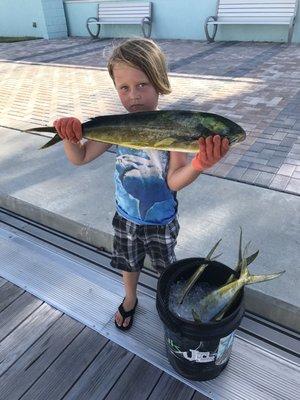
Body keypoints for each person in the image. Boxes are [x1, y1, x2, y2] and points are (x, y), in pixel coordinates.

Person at [53, 38, 229, 331]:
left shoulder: (175, 128)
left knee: (166, 269)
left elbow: (174, 180)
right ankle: (131, 298)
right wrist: (69, 138)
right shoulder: (117, 127)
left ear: (159, 83)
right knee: (128, 264)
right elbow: (80, 157)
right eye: (124, 88)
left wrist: (199, 165)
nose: (133, 95)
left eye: (142, 85)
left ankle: (165, 302)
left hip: (162, 221)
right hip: (126, 218)